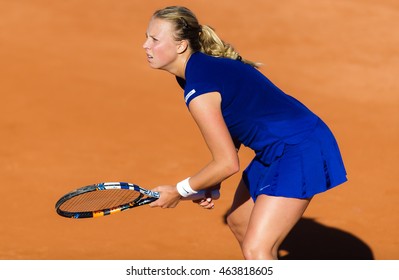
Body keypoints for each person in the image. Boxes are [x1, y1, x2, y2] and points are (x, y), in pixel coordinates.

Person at [143, 6, 347, 260]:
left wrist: (179, 190)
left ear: (181, 46)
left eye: (154, 39)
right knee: (240, 221)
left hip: (300, 147)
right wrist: (210, 184)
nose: (146, 45)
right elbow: (237, 119)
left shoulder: (199, 88)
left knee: (257, 248)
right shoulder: (197, 71)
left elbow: (227, 163)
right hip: (278, 148)